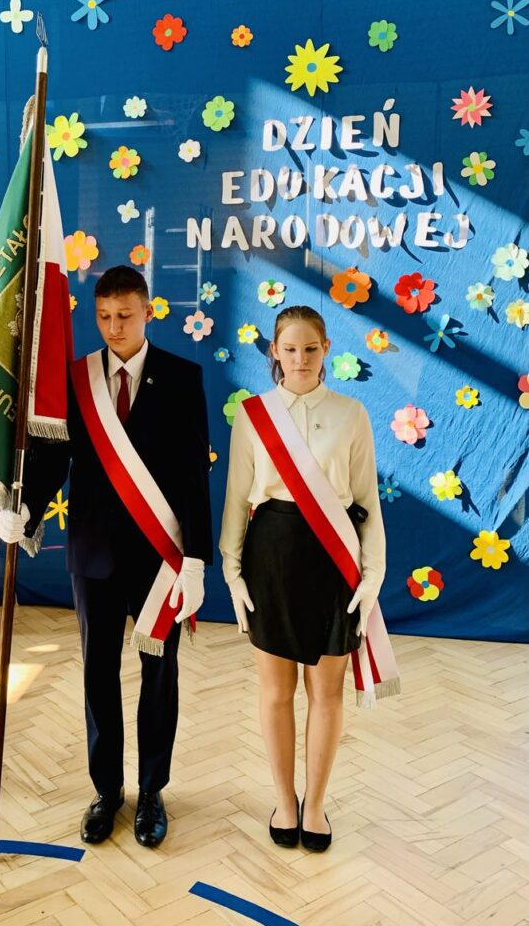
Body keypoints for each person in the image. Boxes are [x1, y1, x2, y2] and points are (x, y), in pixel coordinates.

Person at [0, 266, 213, 848]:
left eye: (125, 315)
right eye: (104, 317)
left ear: (148, 311)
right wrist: (27, 509)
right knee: (98, 674)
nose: (114, 327)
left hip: (160, 557)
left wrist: (195, 558)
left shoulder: (182, 377)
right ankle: (106, 791)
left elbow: (193, 474)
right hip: (93, 555)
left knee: (159, 676)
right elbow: (52, 458)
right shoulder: (77, 379)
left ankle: (152, 791)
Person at [219, 305, 391, 852]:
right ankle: (283, 800)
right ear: (274, 351)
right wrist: (231, 569)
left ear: (326, 350)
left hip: (333, 559)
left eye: (310, 349)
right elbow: (236, 496)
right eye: (289, 349)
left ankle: (314, 804)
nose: (300, 359)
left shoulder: (352, 414)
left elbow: (367, 500)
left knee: (326, 690)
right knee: (276, 691)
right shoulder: (253, 415)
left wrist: (373, 574)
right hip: (270, 556)